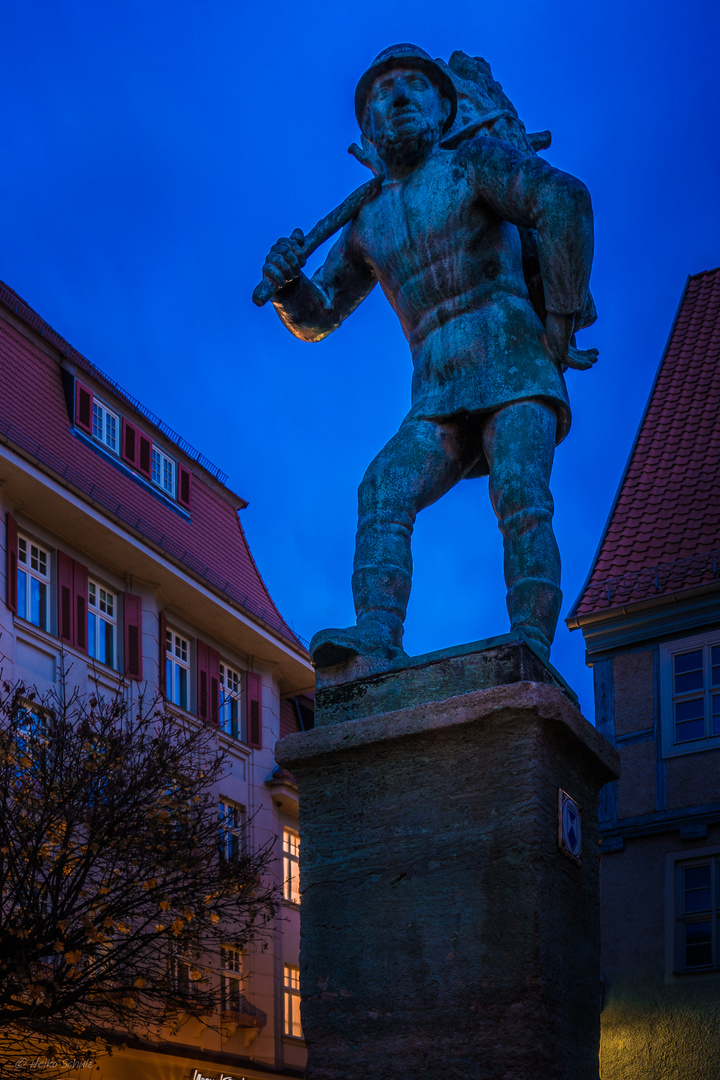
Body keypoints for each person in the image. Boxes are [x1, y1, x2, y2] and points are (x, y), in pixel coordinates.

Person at [259, 44, 597, 667]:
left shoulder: (474, 164)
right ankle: (376, 639)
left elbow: (564, 202)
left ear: (444, 106)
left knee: (521, 495)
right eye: (383, 94)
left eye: (415, 85)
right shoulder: (367, 220)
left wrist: (558, 323)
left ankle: (530, 645)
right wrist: (287, 287)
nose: (400, 98)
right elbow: (321, 314)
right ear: (367, 129)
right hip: (437, 395)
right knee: (383, 488)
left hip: (517, 368)